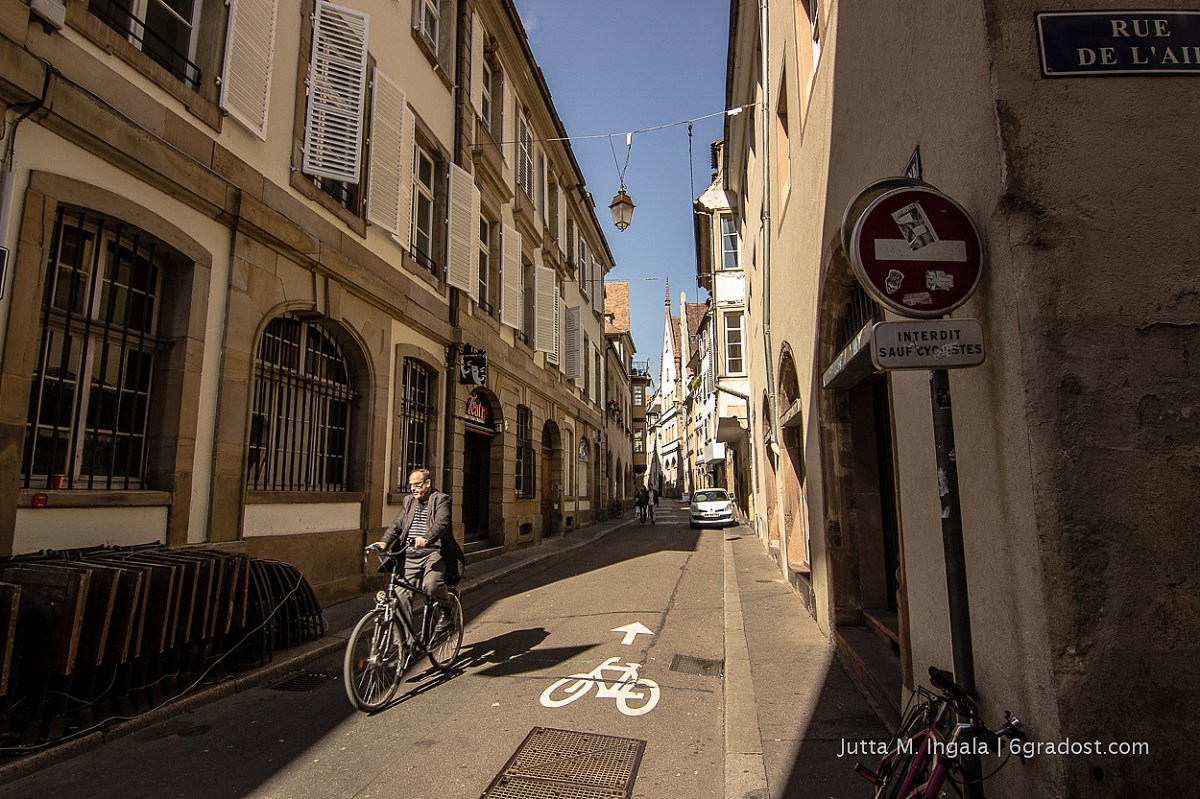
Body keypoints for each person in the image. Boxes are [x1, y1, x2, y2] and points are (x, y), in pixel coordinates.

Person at [369, 468, 465, 635]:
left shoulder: (441, 499)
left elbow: (441, 523)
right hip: (410, 555)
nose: (413, 489)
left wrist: (426, 539)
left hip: (433, 553)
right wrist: (384, 542)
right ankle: (405, 644)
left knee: (432, 585)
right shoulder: (409, 501)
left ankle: (447, 609)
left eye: (417, 485)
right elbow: (397, 525)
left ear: (428, 483)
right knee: (399, 596)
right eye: (411, 485)